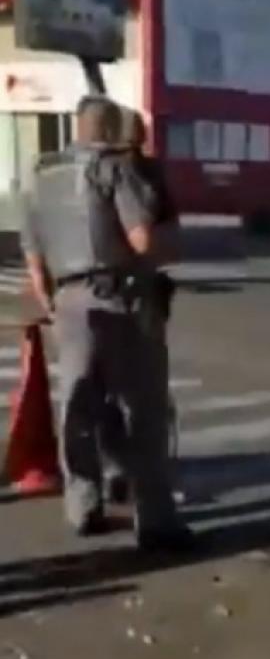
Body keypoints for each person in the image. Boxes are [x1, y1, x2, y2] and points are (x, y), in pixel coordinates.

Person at [21, 96, 191, 549]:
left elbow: (35, 260)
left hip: (70, 303)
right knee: (145, 410)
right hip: (122, 300)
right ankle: (155, 520)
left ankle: (83, 505)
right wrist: (171, 250)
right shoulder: (115, 169)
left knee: (79, 409)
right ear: (112, 128)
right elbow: (143, 239)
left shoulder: (41, 176)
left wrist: (55, 303)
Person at [96, 108, 182, 505]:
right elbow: (164, 237)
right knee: (145, 392)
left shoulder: (105, 170)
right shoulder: (141, 174)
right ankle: (144, 477)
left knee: (114, 390)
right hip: (139, 291)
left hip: (115, 292)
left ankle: (119, 468)